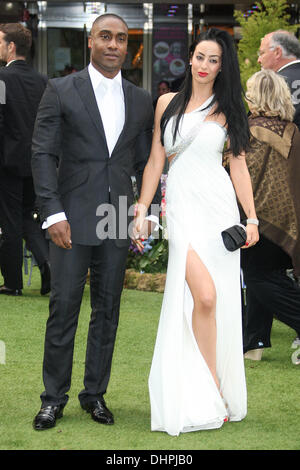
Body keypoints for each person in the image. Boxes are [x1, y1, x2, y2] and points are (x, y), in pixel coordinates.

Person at [31, 13, 160, 431]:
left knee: (108, 311)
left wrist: (145, 208)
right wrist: (52, 212)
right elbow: (43, 155)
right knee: (63, 307)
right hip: (70, 216)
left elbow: (144, 161)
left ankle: (95, 394)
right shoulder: (61, 89)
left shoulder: (140, 100)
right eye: (106, 36)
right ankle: (53, 398)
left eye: (122, 39)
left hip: (117, 217)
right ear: (90, 41)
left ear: (127, 46)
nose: (114, 44)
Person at [133, 28, 259, 436]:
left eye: (214, 60)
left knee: (214, 302)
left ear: (222, 67)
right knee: (203, 295)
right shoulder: (167, 103)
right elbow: (156, 160)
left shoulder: (229, 108)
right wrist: (142, 208)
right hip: (182, 211)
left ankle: (215, 391)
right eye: (201, 57)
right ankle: (209, 386)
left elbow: (237, 165)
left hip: (219, 211)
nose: (205, 66)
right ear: (190, 58)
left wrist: (251, 218)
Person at [242, 69, 300, 361]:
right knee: (265, 276)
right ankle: (254, 344)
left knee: (257, 278)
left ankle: (254, 341)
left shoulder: (247, 129)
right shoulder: (292, 129)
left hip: (257, 219)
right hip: (289, 221)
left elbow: (243, 176)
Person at [0, 23, 50, 297]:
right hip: (36, 161)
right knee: (29, 218)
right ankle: (48, 264)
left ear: (11, 47)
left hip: (8, 162)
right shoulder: (42, 81)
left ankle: (12, 282)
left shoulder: (1, 80)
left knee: (9, 221)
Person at [257, 30, 300, 129]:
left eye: (262, 53)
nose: (259, 60)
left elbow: (258, 129)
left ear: (277, 52)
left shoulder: (270, 84)